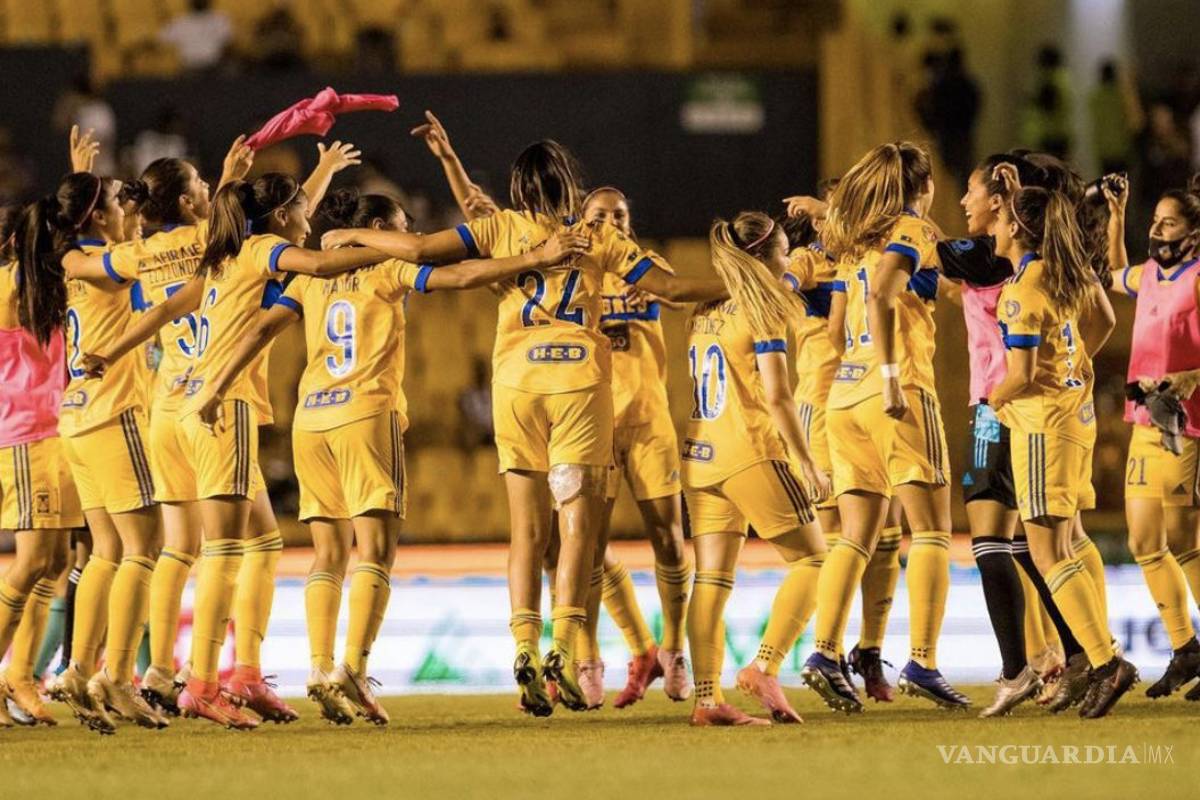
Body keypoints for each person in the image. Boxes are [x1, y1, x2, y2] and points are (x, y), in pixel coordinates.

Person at [322, 129, 726, 715]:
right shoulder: (597, 237)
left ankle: (524, 648)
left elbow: (421, 249)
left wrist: (356, 233)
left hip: (515, 387)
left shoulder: (500, 229)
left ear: (519, 189)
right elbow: (672, 288)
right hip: (578, 386)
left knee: (527, 534)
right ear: (571, 186)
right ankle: (565, 648)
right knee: (579, 530)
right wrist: (749, 282)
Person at [189, 187, 587, 725]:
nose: (408, 235)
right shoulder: (386, 266)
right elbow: (460, 277)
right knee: (375, 552)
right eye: (400, 225)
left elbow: (260, 327)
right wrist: (535, 258)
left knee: (328, 554)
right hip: (365, 414)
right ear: (378, 227)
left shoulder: (310, 278)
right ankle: (353, 667)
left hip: (311, 419)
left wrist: (216, 386)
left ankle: (319, 666)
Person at [82, 142, 357, 725]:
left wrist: (110, 350)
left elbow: (161, 308)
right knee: (226, 549)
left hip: (168, 404)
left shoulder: (178, 254)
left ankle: (173, 671)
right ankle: (204, 681)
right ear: (188, 201)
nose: (208, 190)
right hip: (218, 403)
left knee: (220, 544)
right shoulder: (233, 247)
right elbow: (306, 254)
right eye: (199, 185)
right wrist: (384, 247)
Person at [799, 141, 968, 712]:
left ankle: (825, 652)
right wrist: (893, 376)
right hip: (897, 392)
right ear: (925, 187)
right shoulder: (911, 230)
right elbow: (882, 294)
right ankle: (923, 659)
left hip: (844, 396)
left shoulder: (852, 246)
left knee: (855, 536)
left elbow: (836, 328)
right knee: (932, 531)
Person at [17, 169, 167, 731]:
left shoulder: (68, 263)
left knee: (106, 551)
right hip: (113, 412)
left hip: (77, 416)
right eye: (119, 203)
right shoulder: (100, 261)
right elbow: (161, 254)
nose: (129, 208)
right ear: (98, 216)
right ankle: (117, 677)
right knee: (144, 548)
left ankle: (80, 671)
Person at [987, 168, 1138, 719]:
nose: (994, 227)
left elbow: (1022, 374)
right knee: (1072, 541)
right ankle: (1103, 651)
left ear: (1016, 229)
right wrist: (1073, 367)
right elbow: (1104, 318)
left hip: (1041, 425)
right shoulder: (1062, 271)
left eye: (1001, 219)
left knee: (1047, 551)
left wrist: (994, 396)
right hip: (1075, 415)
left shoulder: (1021, 290)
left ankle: (1104, 661)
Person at [681, 212, 830, 726]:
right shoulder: (762, 310)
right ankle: (765, 666)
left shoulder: (704, 309)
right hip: (749, 450)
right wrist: (807, 463)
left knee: (711, 580)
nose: (788, 261)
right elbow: (779, 397)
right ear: (764, 258)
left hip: (701, 457)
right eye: (784, 252)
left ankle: (707, 701)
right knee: (815, 561)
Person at [1105, 171, 1200, 698]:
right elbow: (1113, 273)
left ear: (1193, 233)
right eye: (1156, 221)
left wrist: (1192, 376)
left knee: (1184, 541)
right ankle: (1186, 648)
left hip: (1184, 426)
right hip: (1145, 419)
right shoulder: (1148, 276)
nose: (1158, 230)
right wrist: (1117, 216)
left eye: (1169, 223)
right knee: (1144, 541)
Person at [0, 204, 82, 730]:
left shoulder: (40, 289)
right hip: (24, 434)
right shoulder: (10, 285)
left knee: (55, 562)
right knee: (31, 561)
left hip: (56, 431)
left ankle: (21, 675)